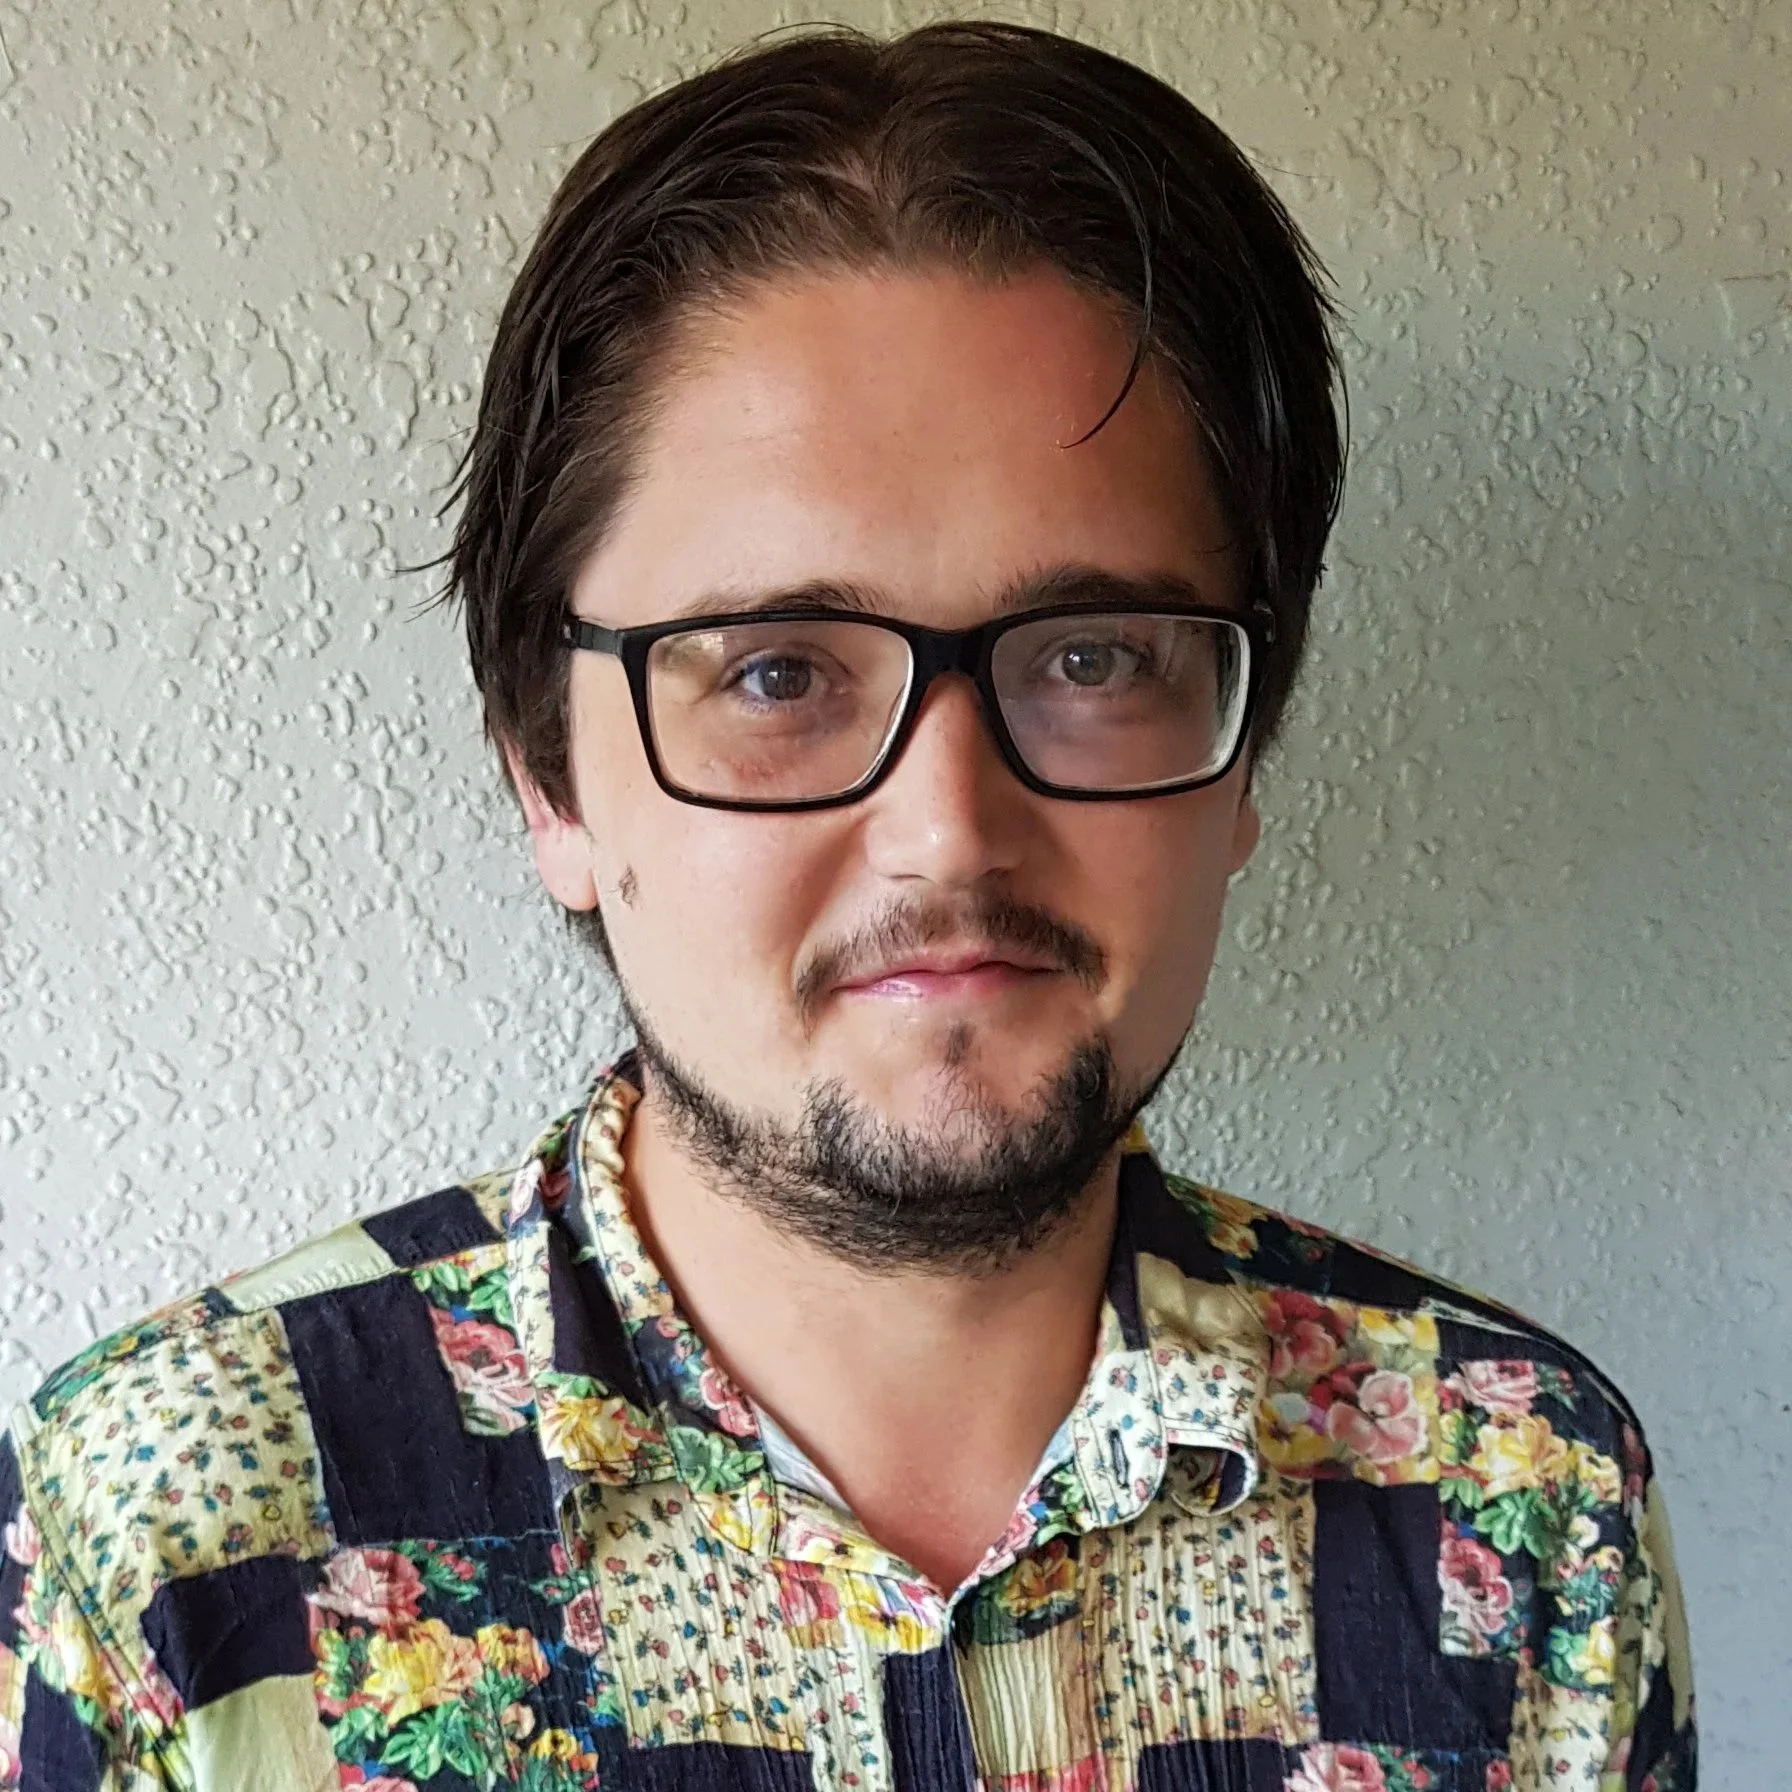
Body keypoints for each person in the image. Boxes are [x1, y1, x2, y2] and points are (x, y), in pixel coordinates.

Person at [0, 21, 1694, 1791]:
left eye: (1094, 657)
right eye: (777, 671)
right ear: (548, 780)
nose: (947, 833)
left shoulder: (1519, 1499)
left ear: (1244, 752)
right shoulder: (174, 1528)